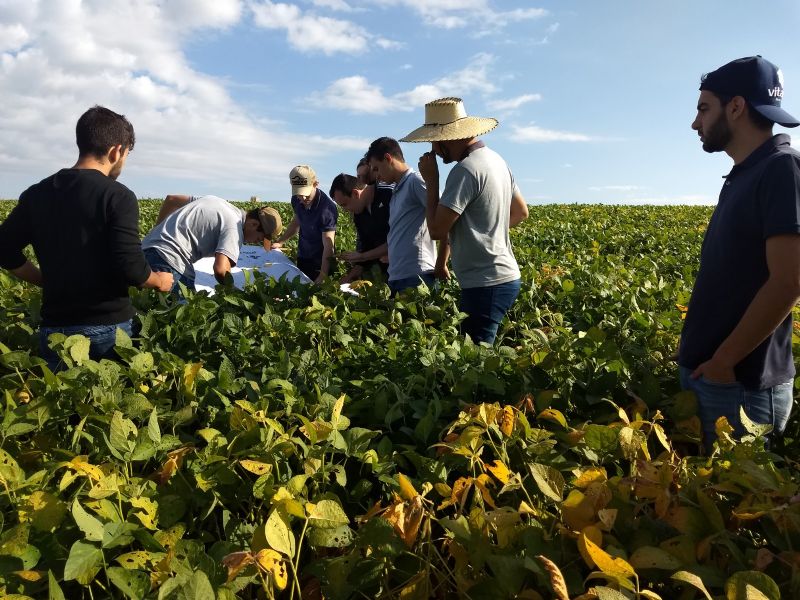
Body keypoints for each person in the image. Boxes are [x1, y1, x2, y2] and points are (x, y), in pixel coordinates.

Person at [678, 56, 800, 450]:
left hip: (739, 386)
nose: (696, 122)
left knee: (736, 507)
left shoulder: (782, 169)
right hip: (718, 379)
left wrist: (724, 361)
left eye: (703, 108)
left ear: (736, 107)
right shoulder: (749, 171)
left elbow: (789, 281)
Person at [0, 105, 173, 369]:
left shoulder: (37, 193)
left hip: (55, 330)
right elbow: (131, 267)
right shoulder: (117, 196)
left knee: (62, 405)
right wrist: (158, 280)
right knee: (108, 405)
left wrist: (45, 280)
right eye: (126, 154)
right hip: (108, 328)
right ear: (117, 151)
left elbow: (4, 248)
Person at [402, 97, 529, 344]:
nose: (434, 151)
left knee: (476, 362)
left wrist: (432, 182)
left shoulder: (465, 171)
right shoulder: (496, 160)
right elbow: (521, 212)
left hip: (486, 282)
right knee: (478, 351)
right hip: (504, 276)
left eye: (434, 141)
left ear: (448, 137)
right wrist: (488, 233)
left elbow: (437, 230)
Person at [141, 195, 283, 292]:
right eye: (258, 238)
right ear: (253, 223)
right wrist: (238, 295)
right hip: (171, 261)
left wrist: (156, 232)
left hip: (146, 249)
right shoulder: (235, 227)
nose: (253, 242)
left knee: (144, 307)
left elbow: (172, 199)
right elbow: (221, 270)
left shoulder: (216, 201)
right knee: (184, 317)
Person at [365, 137, 449, 294]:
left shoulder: (415, 181)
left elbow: (446, 218)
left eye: (376, 168)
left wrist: (441, 263)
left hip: (418, 275)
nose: (376, 176)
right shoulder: (397, 189)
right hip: (398, 276)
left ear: (388, 158)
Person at [271, 166, 338, 284]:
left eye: (305, 193)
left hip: (321, 263)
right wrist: (280, 241)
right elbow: (297, 221)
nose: (302, 198)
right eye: (299, 193)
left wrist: (323, 275)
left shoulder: (327, 209)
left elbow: (328, 244)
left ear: (315, 184)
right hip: (303, 257)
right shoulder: (296, 200)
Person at [329, 172, 390, 283]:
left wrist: (361, 256)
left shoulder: (387, 197)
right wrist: (348, 278)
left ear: (355, 194)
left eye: (345, 204)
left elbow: (395, 242)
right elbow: (366, 248)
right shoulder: (359, 215)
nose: (345, 210)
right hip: (380, 276)